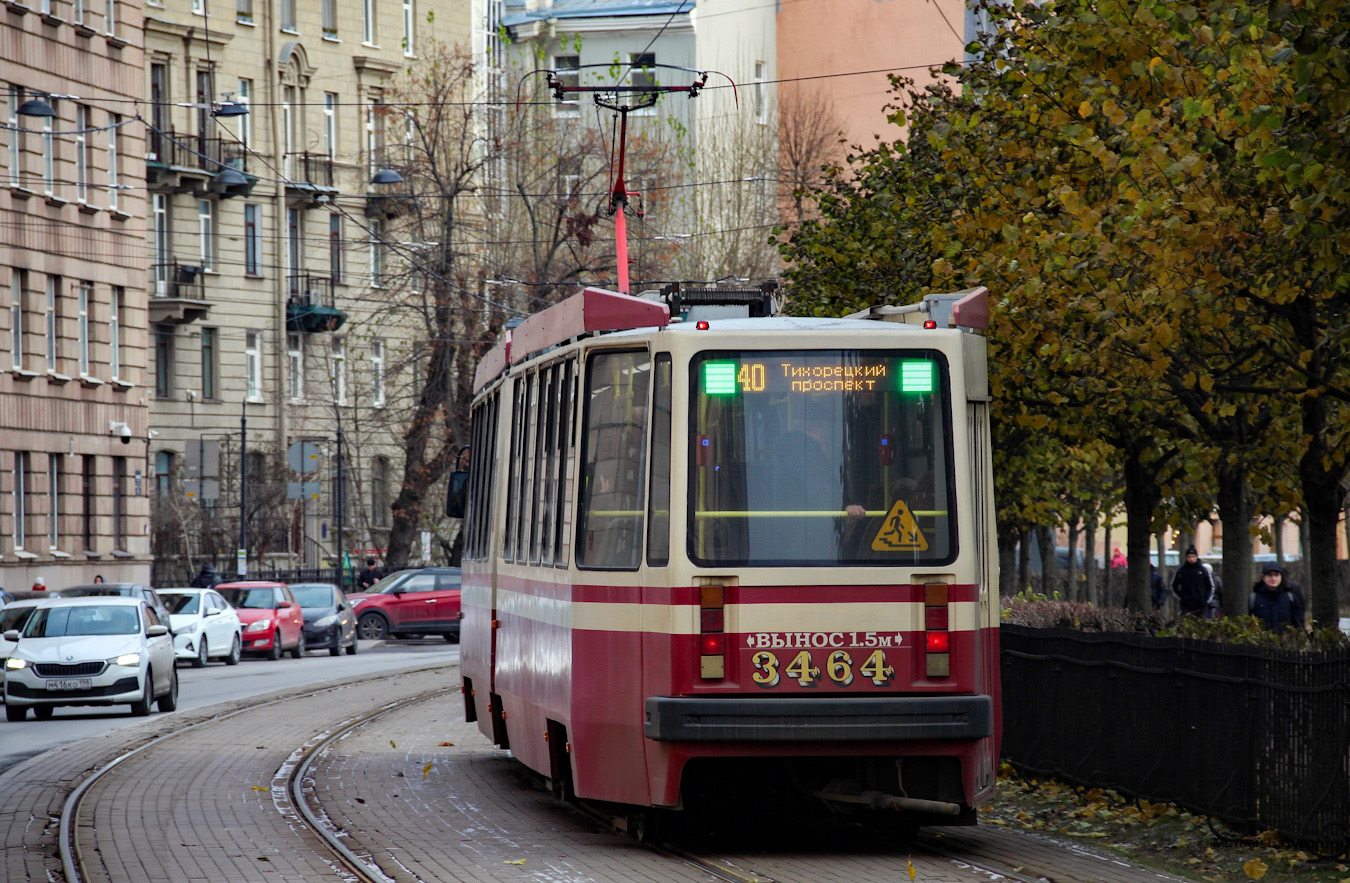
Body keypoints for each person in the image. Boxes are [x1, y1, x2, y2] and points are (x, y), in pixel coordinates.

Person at [1248, 564, 1306, 631]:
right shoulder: (1253, 599)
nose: (1273, 578)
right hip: (1261, 640)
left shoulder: (1291, 598)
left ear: (1281, 577)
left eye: (1276, 575)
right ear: (1263, 577)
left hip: (1287, 640)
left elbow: (1299, 624)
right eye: (1269, 575)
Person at [1170, 546, 1217, 617]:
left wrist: (1206, 600)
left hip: (1201, 605)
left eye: (1193, 556)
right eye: (1189, 557)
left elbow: (1210, 586)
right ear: (1186, 557)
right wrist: (1181, 597)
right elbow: (1173, 585)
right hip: (1186, 605)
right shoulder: (1181, 570)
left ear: (1196, 557)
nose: (1191, 559)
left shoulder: (1203, 570)